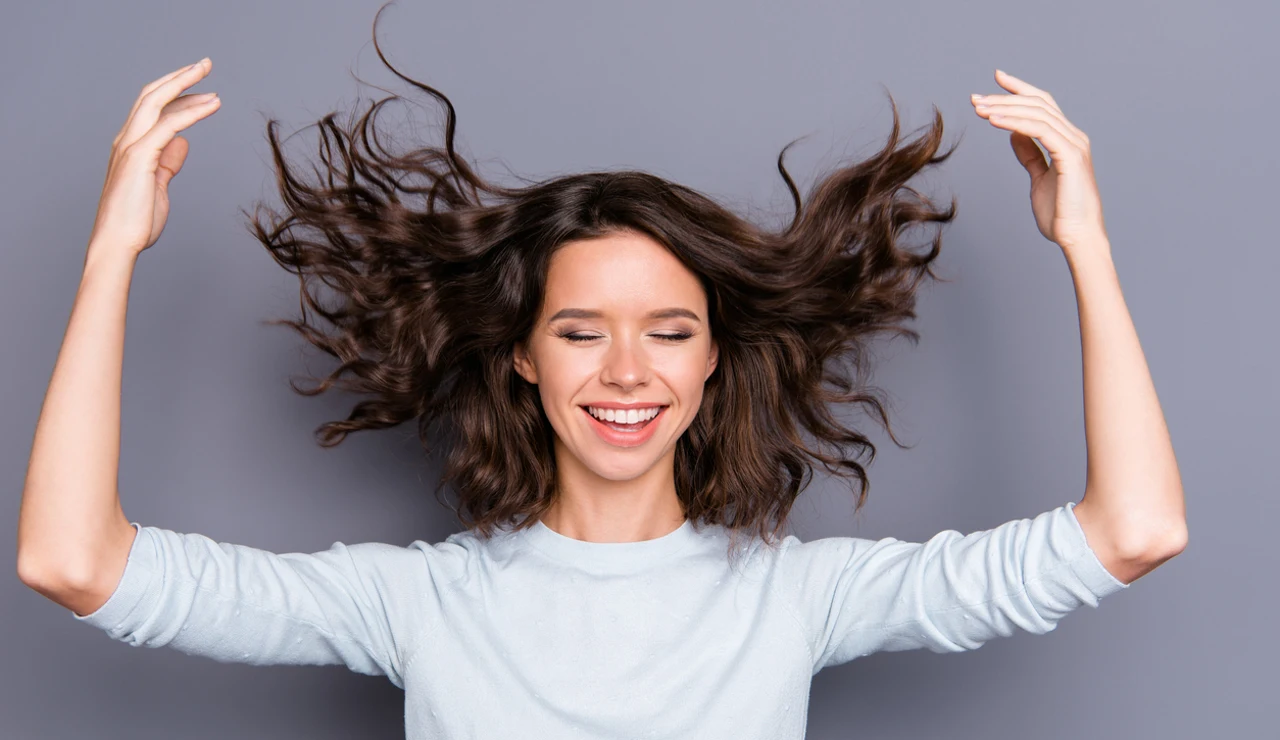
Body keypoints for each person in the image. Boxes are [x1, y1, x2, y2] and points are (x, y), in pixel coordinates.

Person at [17, 9, 1186, 739]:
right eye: (580, 330)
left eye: (668, 329)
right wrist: (113, 251)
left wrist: (1081, 243)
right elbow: (70, 561)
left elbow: (1130, 529)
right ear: (522, 355)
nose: (625, 369)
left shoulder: (794, 598)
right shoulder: (418, 603)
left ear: (712, 353)